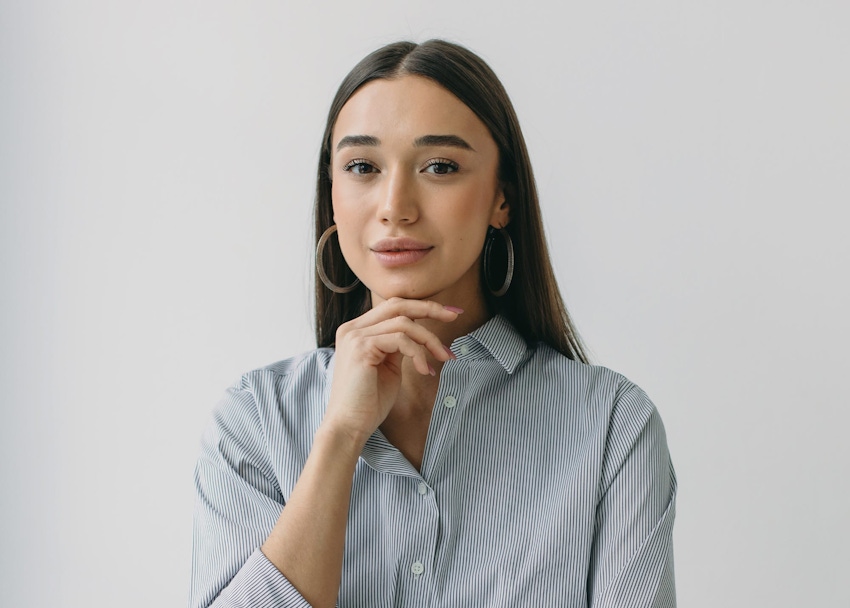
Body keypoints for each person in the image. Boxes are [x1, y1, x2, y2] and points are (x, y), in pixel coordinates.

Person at [190, 39, 676, 608]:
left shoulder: (613, 428)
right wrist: (340, 437)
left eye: (439, 166)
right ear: (332, 197)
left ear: (503, 199)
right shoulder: (253, 422)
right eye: (362, 167)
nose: (395, 205)